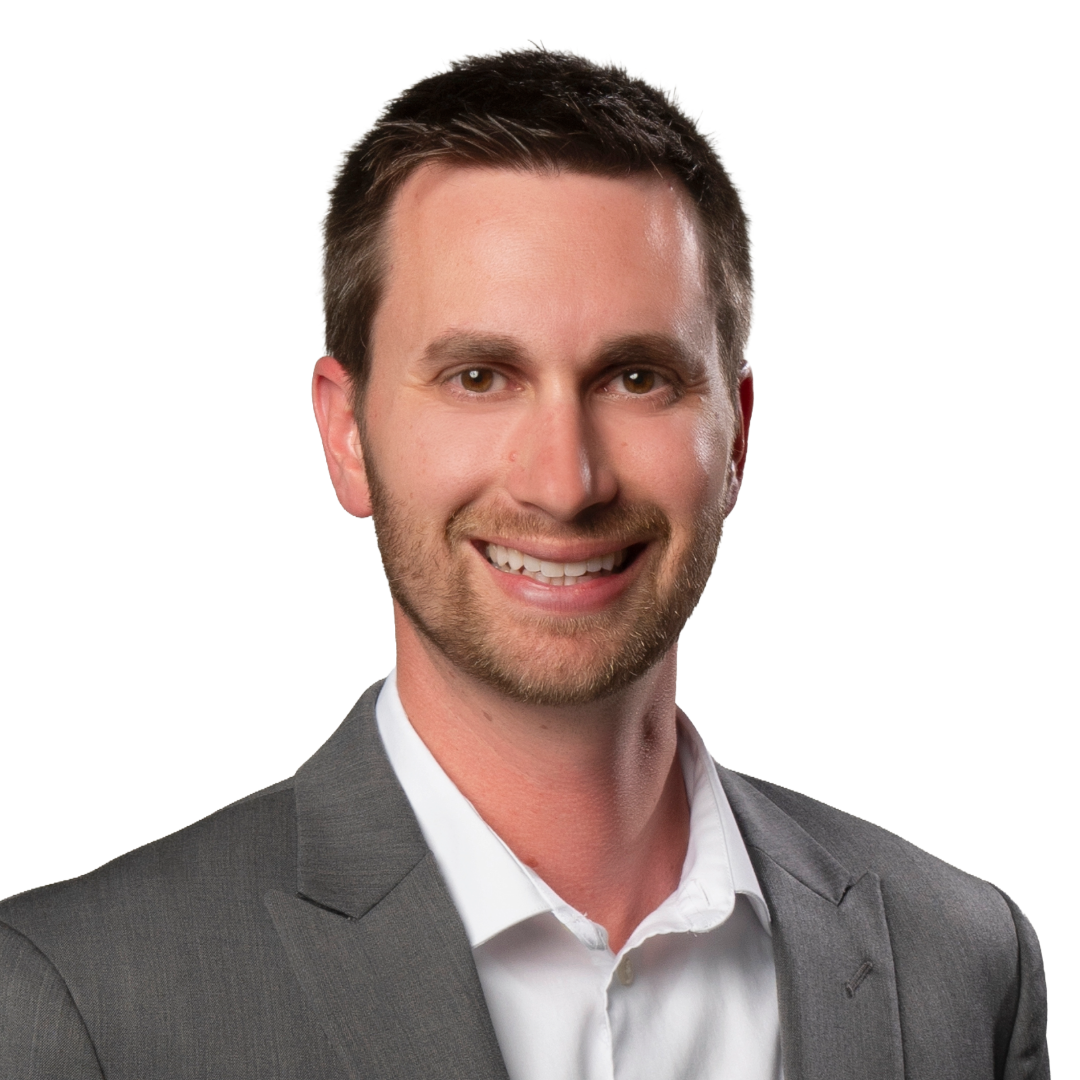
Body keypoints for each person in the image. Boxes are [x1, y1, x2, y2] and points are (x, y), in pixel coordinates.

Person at [0, 49, 1048, 1080]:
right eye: (478, 376)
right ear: (347, 433)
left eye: (637, 377)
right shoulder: (80, 1001)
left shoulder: (964, 963)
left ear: (736, 436)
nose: (564, 480)